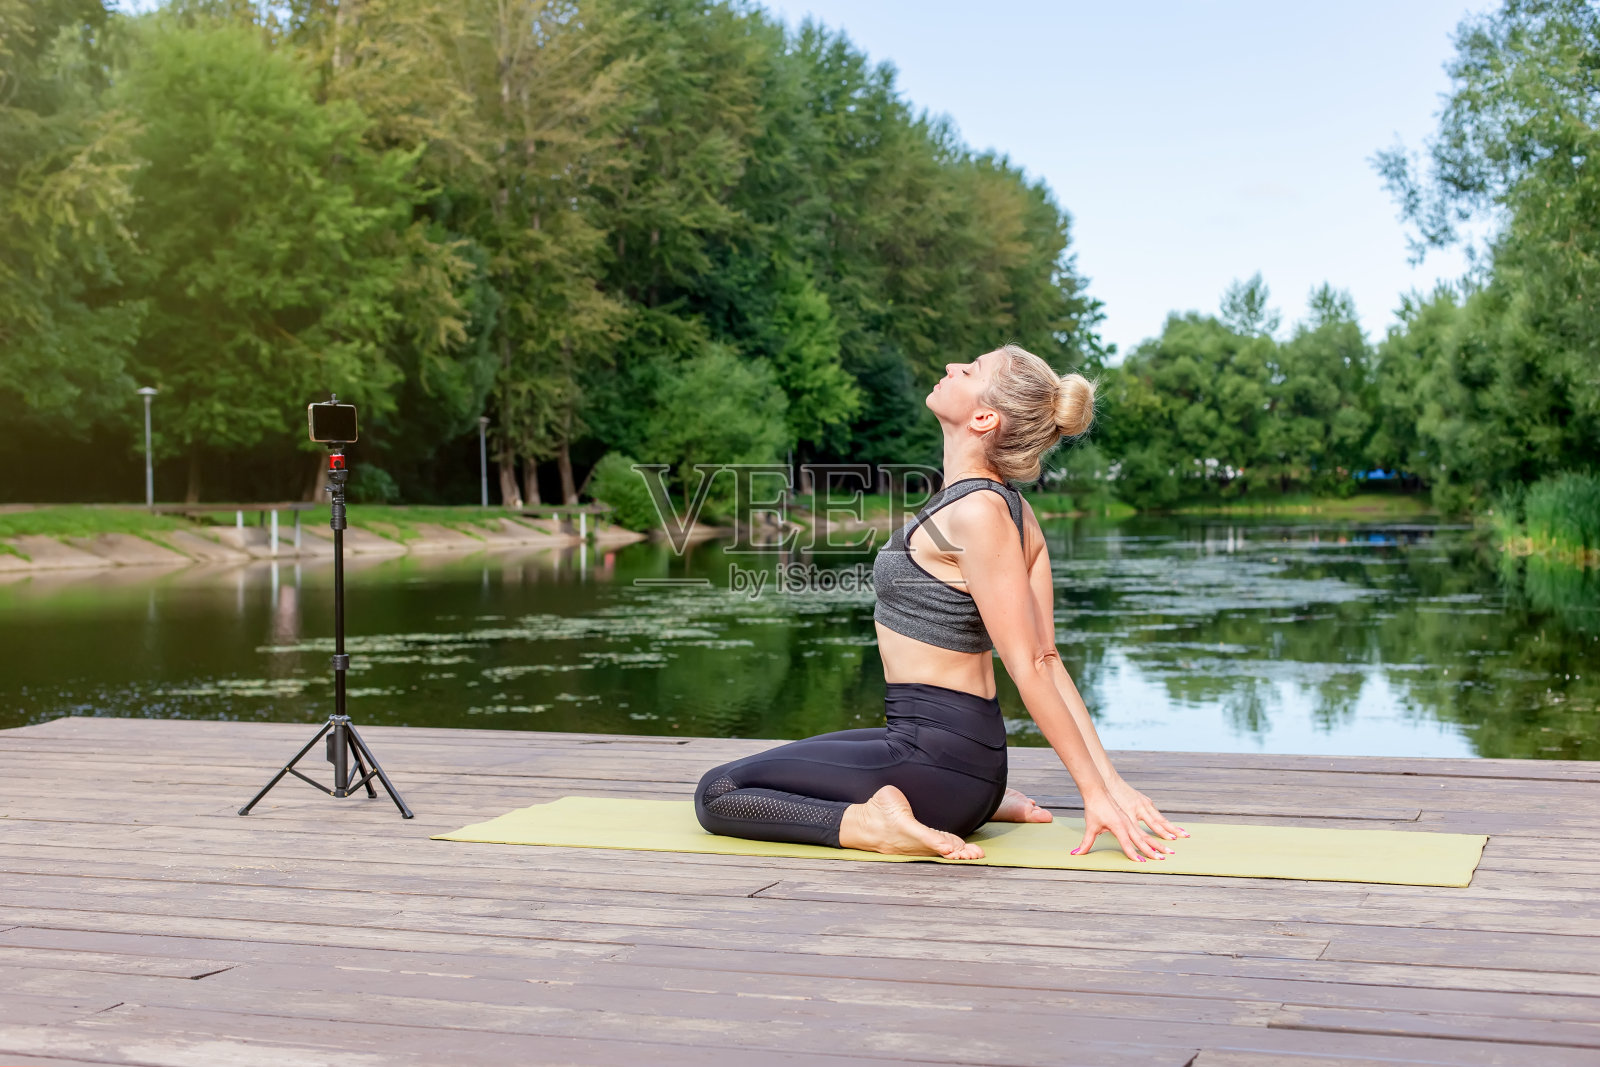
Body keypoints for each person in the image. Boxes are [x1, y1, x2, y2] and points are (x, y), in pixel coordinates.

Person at [693, 344, 1187, 862]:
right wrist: (1109, 783)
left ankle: (871, 825)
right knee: (798, 761)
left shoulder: (976, 513)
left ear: (983, 416)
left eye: (970, 369)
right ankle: (978, 800)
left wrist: (1100, 793)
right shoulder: (1011, 511)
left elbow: (1034, 667)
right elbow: (1049, 659)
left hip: (935, 764)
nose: (952, 366)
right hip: (948, 756)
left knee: (719, 792)